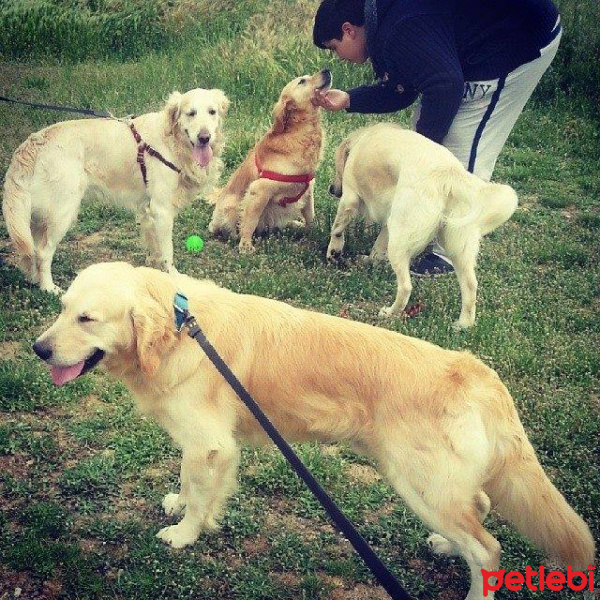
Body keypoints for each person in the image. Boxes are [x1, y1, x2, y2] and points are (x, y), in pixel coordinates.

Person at [312, 0, 562, 275]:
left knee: (461, 144)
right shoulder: (384, 23)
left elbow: (444, 86)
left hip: (517, 42)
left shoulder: (399, 26)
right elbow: (404, 87)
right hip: (477, 48)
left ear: (349, 30)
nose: (339, 57)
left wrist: (418, 156)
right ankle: (423, 224)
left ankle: (449, 255)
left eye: (334, 47)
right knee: (429, 133)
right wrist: (349, 99)